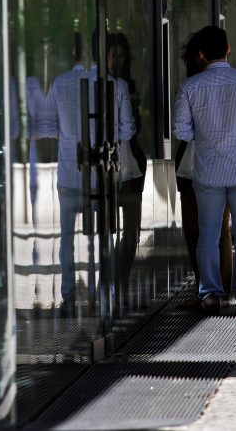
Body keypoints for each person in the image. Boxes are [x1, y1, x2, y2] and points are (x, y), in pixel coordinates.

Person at [172, 25, 236, 315]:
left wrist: (206, 136)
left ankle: (210, 295)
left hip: (208, 174)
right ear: (228, 49)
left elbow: (181, 130)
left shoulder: (190, 88)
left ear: (202, 54)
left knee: (207, 235)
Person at [36, 31, 136, 316]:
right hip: (102, 178)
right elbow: (127, 129)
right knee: (105, 236)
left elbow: (46, 126)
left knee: (67, 237)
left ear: (72, 53)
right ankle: (106, 292)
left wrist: (68, 135)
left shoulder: (60, 83)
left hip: (69, 173)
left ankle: (68, 295)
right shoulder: (116, 87)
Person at [175, 33, 233, 309]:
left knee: (214, 230)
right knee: (197, 231)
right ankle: (207, 289)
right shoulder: (192, 85)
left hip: (206, 164)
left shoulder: (220, 84)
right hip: (192, 164)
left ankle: (216, 291)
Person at [106, 33, 146, 311]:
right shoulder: (104, 86)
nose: (117, 61)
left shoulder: (127, 85)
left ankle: (121, 283)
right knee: (109, 231)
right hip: (109, 169)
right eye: (113, 55)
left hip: (131, 167)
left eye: (121, 55)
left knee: (131, 232)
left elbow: (135, 128)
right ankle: (109, 285)